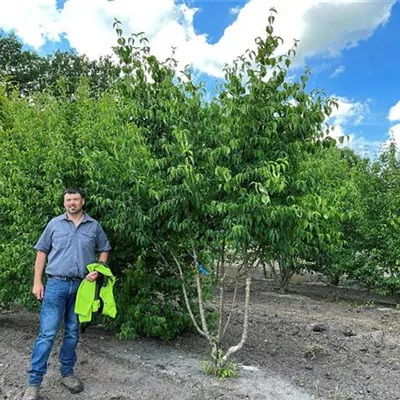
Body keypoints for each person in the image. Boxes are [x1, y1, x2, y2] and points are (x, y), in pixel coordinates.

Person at [23, 187, 111, 400]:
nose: (72, 203)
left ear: (83, 201)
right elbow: (41, 252)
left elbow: (104, 249)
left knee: (72, 332)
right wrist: (37, 282)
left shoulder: (94, 226)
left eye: (75, 199)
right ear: (64, 203)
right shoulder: (54, 224)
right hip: (56, 285)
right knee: (47, 333)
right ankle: (33, 383)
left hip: (82, 287)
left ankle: (67, 373)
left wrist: (97, 270)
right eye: (68, 200)